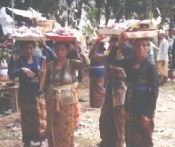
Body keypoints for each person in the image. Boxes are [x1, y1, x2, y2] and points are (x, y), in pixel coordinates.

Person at [107, 34, 159, 147]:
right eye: (138, 45)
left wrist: (148, 114)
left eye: (144, 45)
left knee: (144, 140)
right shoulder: (130, 61)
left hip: (143, 109)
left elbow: (154, 92)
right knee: (130, 139)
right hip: (130, 107)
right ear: (134, 47)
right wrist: (118, 44)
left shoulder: (151, 66)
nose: (140, 47)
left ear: (148, 48)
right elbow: (110, 60)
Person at [45, 42, 90, 147]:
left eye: (62, 49)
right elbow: (45, 83)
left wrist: (80, 49)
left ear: (67, 51)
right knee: (53, 126)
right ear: (54, 50)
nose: (59, 52)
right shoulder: (50, 65)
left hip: (67, 100)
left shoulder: (72, 63)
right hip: (51, 100)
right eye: (57, 49)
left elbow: (87, 64)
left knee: (66, 126)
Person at [8, 41, 47, 147]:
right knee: (27, 118)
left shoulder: (39, 60)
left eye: (30, 48)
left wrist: (44, 44)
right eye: (26, 48)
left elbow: (52, 56)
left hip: (38, 93)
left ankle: (41, 140)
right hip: (25, 93)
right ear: (22, 49)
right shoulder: (18, 62)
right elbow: (11, 74)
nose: (28, 50)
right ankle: (27, 140)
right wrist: (21, 70)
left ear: (34, 48)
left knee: (40, 117)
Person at [99, 37, 134, 147]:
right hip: (110, 88)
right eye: (111, 43)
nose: (112, 45)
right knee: (105, 116)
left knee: (120, 119)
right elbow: (93, 57)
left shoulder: (127, 56)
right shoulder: (111, 55)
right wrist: (96, 42)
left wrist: (119, 70)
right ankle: (108, 140)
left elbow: (129, 77)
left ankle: (120, 142)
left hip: (121, 91)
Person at [89, 41, 106, 108]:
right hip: (100, 70)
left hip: (95, 71)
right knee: (99, 88)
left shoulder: (96, 53)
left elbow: (91, 57)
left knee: (95, 89)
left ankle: (96, 104)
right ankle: (98, 103)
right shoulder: (103, 52)